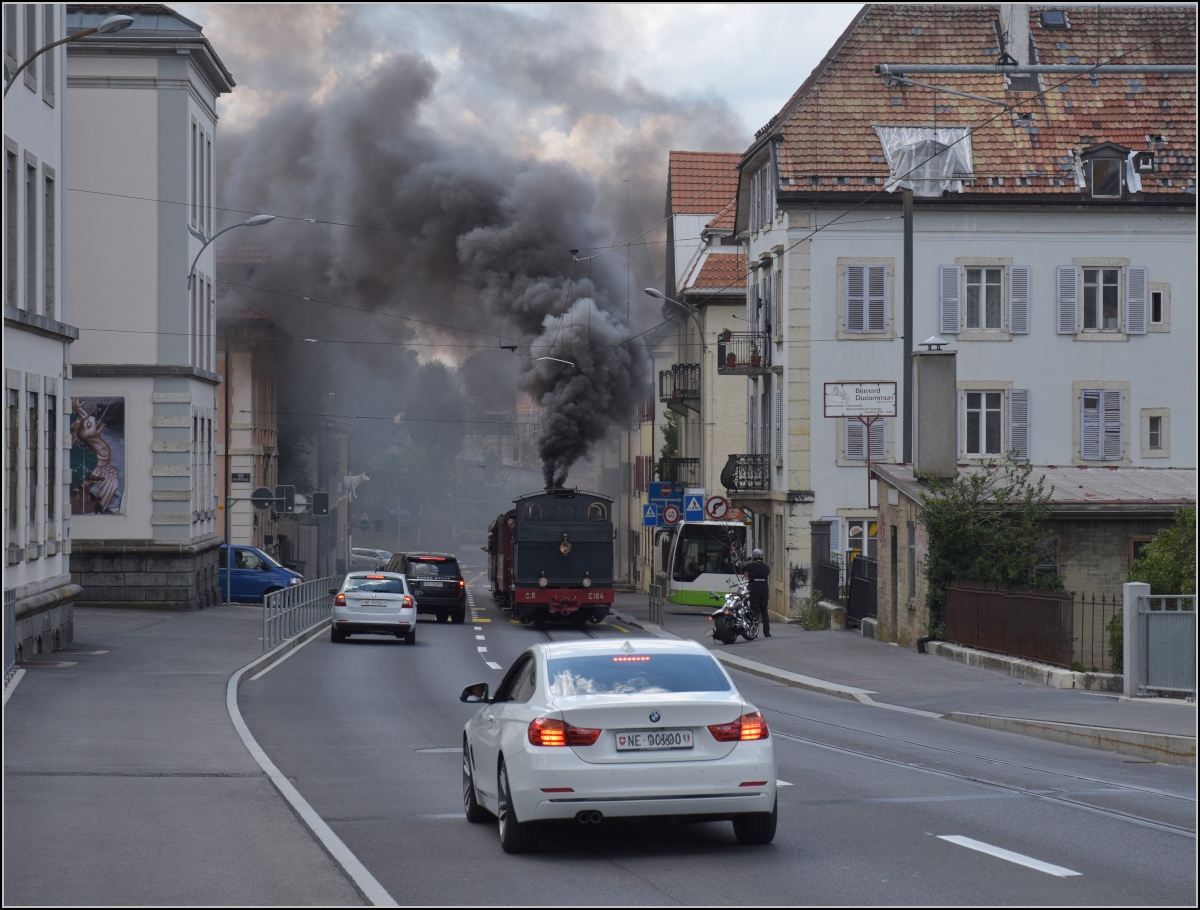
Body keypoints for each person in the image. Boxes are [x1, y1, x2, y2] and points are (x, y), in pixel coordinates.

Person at [739, 548, 772, 638]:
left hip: (754, 589)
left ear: (754, 556)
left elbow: (741, 565)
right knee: (764, 611)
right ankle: (767, 632)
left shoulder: (751, 565)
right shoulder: (766, 566)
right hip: (764, 590)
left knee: (754, 611)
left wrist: (748, 559)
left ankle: (754, 630)